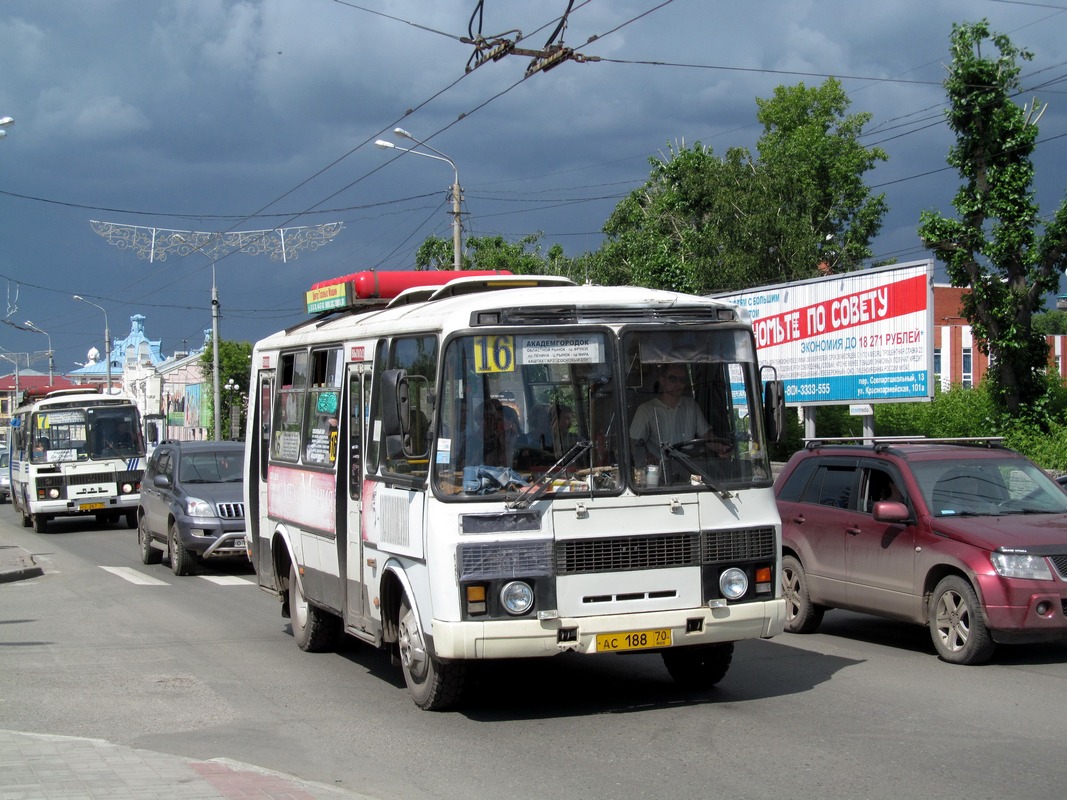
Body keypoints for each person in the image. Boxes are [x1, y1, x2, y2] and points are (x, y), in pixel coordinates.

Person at [629, 364, 716, 466]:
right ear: (662, 380)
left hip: (689, 468)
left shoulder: (691, 405)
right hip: (659, 472)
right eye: (673, 379)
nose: (678, 384)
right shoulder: (646, 410)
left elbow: (706, 436)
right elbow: (634, 443)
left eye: (682, 380)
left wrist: (721, 448)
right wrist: (648, 457)